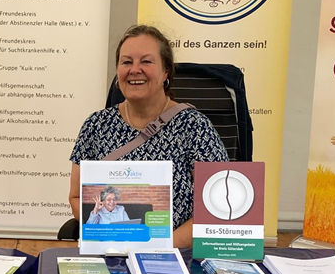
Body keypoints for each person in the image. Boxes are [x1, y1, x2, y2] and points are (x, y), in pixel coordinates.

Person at [68, 24, 228, 248]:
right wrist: (106, 233)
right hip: (111, 252)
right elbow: (76, 197)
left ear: (166, 72)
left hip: (178, 255)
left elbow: (217, 208)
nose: (135, 69)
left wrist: (158, 248)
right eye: (126, 62)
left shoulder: (195, 127)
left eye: (146, 61)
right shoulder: (96, 125)